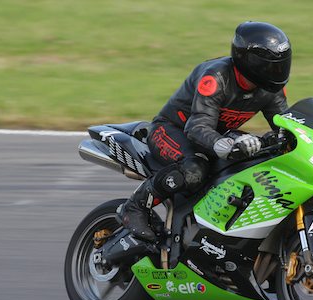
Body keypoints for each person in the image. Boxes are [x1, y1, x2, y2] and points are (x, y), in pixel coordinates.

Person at [117, 21, 292, 242]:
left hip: (216, 135)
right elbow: (197, 127)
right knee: (194, 170)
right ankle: (135, 207)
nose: (276, 72)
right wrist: (227, 144)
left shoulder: (271, 90)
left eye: (280, 65)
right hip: (172, 130)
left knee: (258, 159)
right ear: (251, 62)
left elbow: (286, 125)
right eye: (271, 66)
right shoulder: (216, 78)